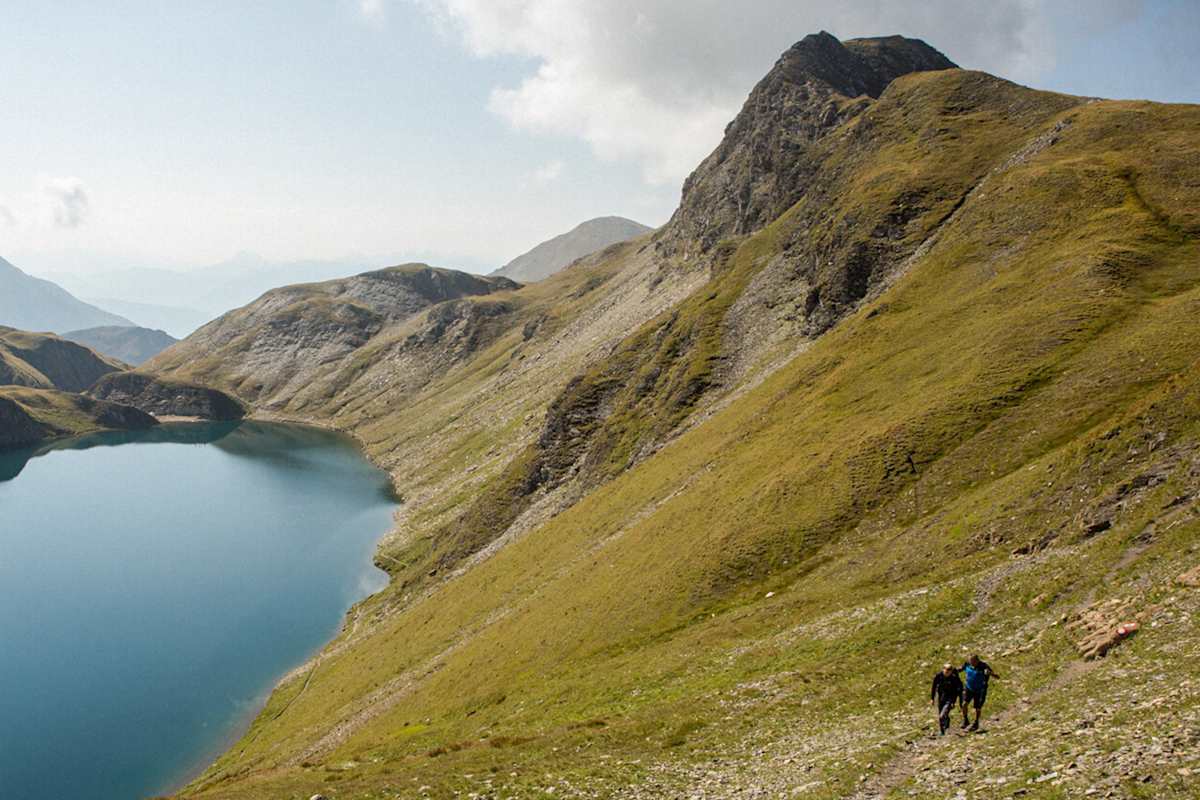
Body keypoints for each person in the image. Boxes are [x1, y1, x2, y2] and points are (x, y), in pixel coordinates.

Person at [959, 653, 999, 731]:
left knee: (978, 707)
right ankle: (965, 720)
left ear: (977, 660)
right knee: (964, 704)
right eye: (970, 661)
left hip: (980, 690)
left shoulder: (983, 666)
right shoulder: (967, 664)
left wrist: (989, 673)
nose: (971, 663)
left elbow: (997, 676)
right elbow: (960, 669)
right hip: (969, 688)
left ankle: (976, 722)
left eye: (973, 661)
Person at [930, 663, 963, 735]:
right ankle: (942, 731)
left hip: (950, 698)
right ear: (943, 669)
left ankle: (945, 727)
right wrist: (932, 698)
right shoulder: (938, 676)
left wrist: (956, 702)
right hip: (941, 697)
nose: (946, 671)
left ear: (951, 671)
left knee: (942, 715)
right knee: (941, 714)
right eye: (945, 669)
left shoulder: (954, 678)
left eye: (949, 670)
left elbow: (958, 691)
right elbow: (934, 687)